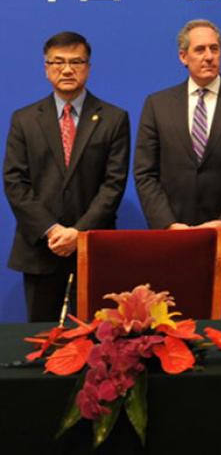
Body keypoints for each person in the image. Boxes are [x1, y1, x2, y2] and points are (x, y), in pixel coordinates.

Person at [134, 19, 221, 318]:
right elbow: (145, 174)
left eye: (214, 48)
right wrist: (168, 225)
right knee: (173, 335)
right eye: (200, 49)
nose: (208, 56)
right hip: (174, 239)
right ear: (184, 57)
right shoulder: (157, 104)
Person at [4, 32, 129, 322]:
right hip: (40, 247)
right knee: (42, 341)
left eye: (76, 61)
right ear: (46, 68)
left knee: (99, 340)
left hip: (93, 245)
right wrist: (51, 230)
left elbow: (113, 184)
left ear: (88, 66)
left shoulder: (113, 118)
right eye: (58, 62)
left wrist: (79, 232)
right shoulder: (24, 119)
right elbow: (15, 182)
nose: (67, 69)